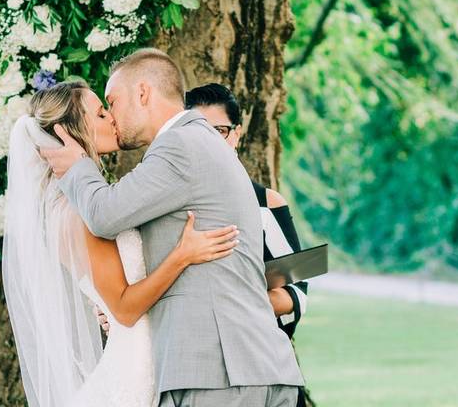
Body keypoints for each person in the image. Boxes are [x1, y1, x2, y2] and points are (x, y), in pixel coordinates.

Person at [42, 48, 305, 407]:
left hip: (220, 373)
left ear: (143, 93)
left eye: (112, 103)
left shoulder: (179, 146)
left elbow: (103, 215)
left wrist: (75, 167)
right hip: (242, 368)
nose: (113, 117)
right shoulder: (199, 141)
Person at [1, 79, 240, 407]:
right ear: (69, 133)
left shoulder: (87, 202)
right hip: (136, 366)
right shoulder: (76, 212)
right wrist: (182, 255)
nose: (112, 118)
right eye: (100, 114)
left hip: (153, 351)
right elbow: (126, 309)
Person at [186, 83, 311, 407]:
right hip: (197, 376)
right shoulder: (171, 209)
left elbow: (296, 295)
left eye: (221, 131)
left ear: (237, 134)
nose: (212, 142)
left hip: (265, 369)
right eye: (200, 132)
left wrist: (235, 300)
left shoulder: (267, 203)